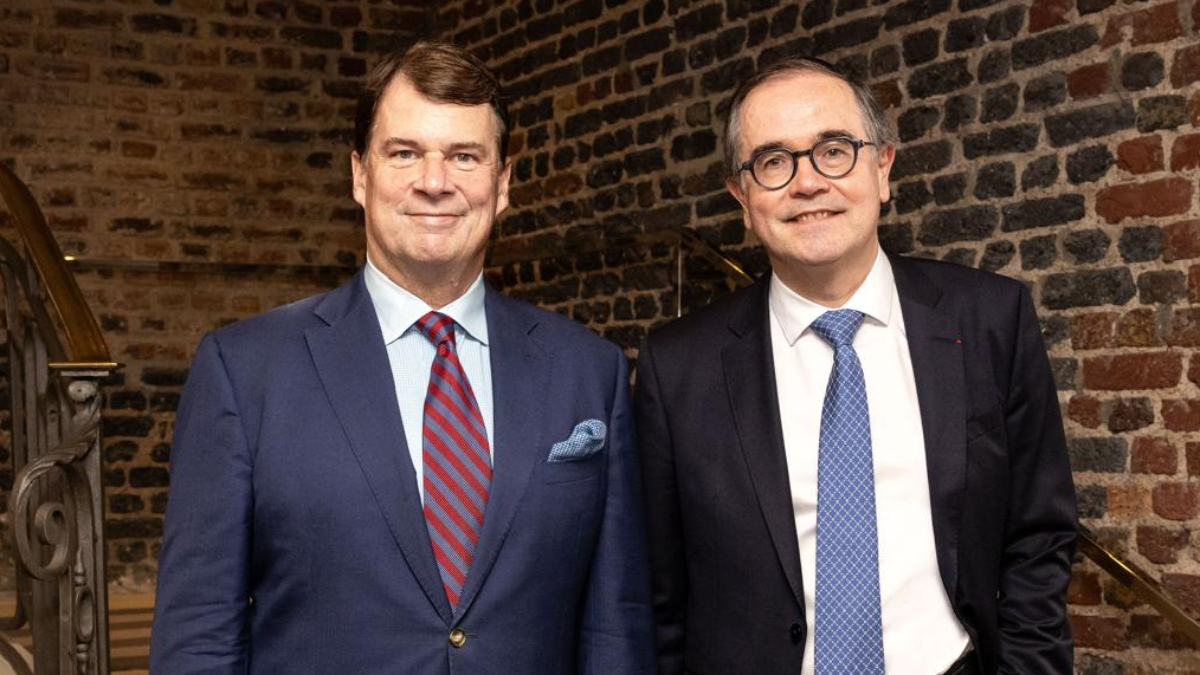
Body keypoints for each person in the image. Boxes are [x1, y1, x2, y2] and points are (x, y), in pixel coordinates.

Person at [150, 40, 655, 675]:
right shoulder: (244, 372)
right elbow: (198, 635)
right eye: (404, 153)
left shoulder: (589, 372)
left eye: (464, 156)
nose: (434, 182)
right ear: (359, 175)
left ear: (502, 183)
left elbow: (615, 629)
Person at [635, 57, 1076, 675]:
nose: (808, 182)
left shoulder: (989, 321)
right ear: (742, 197)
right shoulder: (677, 367)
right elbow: (658, 592)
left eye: (834, 151)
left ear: (883, 167)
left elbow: (1038, 534)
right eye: (773, 161)